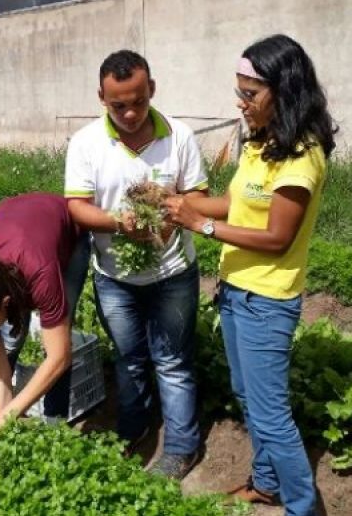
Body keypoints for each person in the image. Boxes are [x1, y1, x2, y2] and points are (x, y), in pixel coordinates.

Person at [165, 34, 337, 515]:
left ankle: (303, 507)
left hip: (268, 300)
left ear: (284, 91)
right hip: (237, 292)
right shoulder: (263, 143)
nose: (240, 103)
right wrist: (180, 202)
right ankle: (266, 483)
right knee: (247, 396)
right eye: (238, 91)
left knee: (271, 413)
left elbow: (279, 237)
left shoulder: (303, 155)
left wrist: (201, 224)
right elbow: (241, 205)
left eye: (250, 94)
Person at [64, 49, 208, 480]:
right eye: (118, 104)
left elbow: (198, 196)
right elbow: (76, 207)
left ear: (152, 90)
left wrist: (172, 212)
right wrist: (117, 224)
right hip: (114, 277)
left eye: (138, 101)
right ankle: (133, 429)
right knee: (128, 359)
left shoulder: (179, 137)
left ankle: (182, 447)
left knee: (172, 361)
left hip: (172, 273)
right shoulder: (86, 143)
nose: (129, 112)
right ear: (101, 98)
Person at [0, 192, 89, 448]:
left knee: (56, 339)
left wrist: (6, 418)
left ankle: (54, 424)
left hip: (64, 230)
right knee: (9, 343)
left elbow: (60, 357)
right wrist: (1, 428)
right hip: (18, 225)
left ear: (5, 304)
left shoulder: (42, 274)